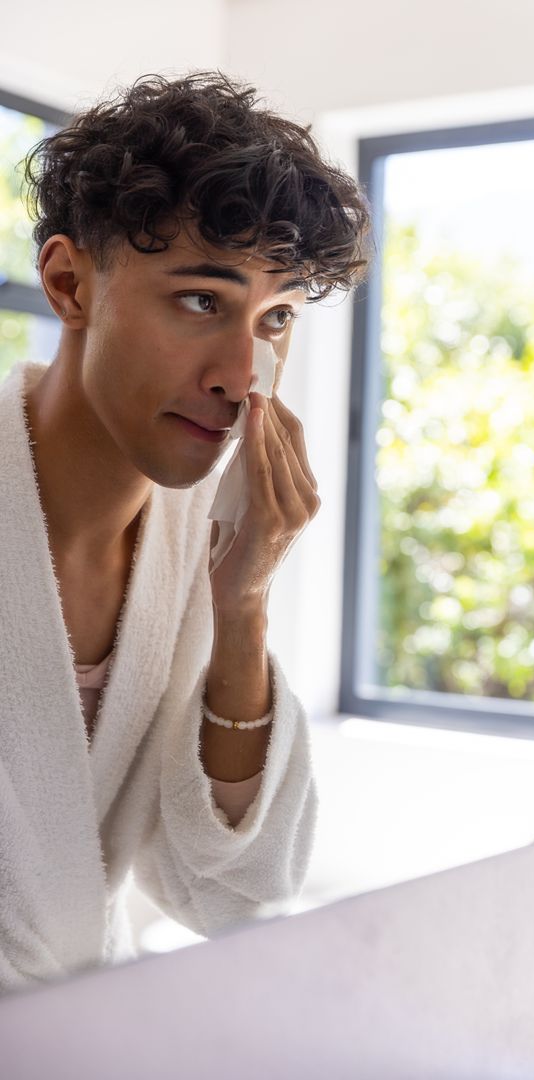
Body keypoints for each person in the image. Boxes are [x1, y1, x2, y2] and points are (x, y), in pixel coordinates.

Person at [0, 70, 370, 994]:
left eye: (275, 317)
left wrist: (241, 609)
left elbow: (233, 893)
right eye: (203, 301)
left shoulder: (196, 546)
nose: (243, 373)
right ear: (67, 282)